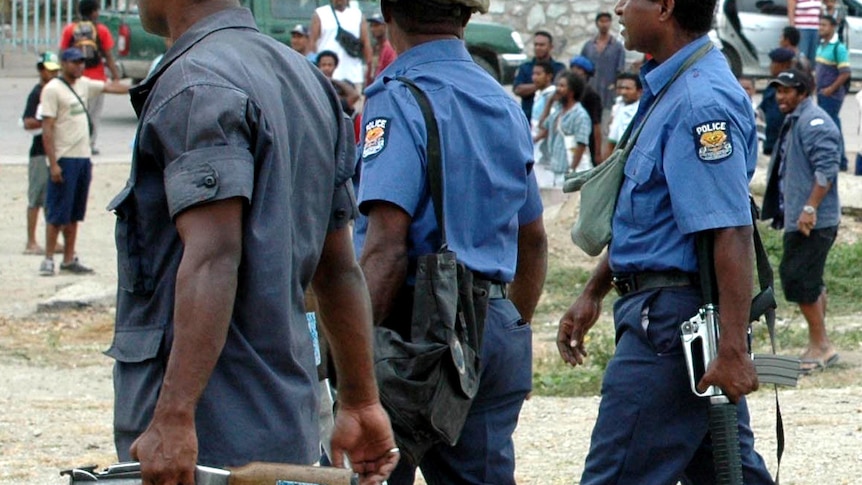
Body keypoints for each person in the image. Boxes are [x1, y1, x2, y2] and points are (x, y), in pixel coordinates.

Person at [107, 1, 398, 484]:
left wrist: (175, 414)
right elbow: (338, 269)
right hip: (280, 413)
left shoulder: (195, 83)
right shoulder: (304, 79)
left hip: (208, 434)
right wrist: (362, 400)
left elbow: (213, 257)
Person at [556, 1, 775, 483]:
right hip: (667, 316)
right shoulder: (671, 88)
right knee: (728, 473)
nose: (618, 8)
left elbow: (730, 228)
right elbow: (654, 219)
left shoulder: (701, 101)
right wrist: (594, 291)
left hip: (672, 328)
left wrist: (734, 349)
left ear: (664, 7)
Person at [353, 0, 548, 483]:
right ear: (467, 17)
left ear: (388, 11)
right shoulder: (502, 101)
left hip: (413, 330)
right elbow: (535, 241)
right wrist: (510, 334)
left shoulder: (399, 94)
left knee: (371, 471)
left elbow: (386, 250)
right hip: (493, 324)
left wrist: (348, 368)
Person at [761, 68, 841, 374]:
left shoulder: (814, 122)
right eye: (778, 91)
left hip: (813, 220)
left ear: (803, 92)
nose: (781, 97)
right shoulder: (796, 119)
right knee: (809, 279)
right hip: (800, 215)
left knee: (798, 279)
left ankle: (821, 346)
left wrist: (810, 208)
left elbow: (827, 170)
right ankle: (819, 342)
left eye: (787, 91)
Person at [38, 47, 128, 277]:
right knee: (58, 212)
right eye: (74, 62)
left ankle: (69, 258)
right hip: (64, 158)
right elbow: (46, 130)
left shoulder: (85, 85)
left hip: (82, 158)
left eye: (81, 62)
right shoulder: (53, 90)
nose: (79, 66)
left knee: (75, 212)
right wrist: (53, 163)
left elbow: (110, 87)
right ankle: (48, 258)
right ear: (63, 64)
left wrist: (144, 85)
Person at [59, 0, 121, 155]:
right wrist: (115, 77)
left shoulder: (70, 29)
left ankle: (75, 144)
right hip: (97, 78)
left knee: (76, 113)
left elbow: (62, 53)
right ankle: (90, 144)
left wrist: (62, 74)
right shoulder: (101, 30)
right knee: (94, 114)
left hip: (76, 78)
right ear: (94, 12)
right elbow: (108, 56)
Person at [21, 51, 60, 256]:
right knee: (35, 197)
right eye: (49, 71)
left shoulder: (54, 91)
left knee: (51, 198)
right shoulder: (37, 93)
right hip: (38, 152)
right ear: (41, 70)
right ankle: (31, 241)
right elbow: (28, 121)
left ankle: (51, 240)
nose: (52, 75)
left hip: (55, 150)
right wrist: (48, 123)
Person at [815, 13, 850, 171]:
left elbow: (845, 73)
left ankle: (841, 160)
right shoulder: (821, 45)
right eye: (820, 25)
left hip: (832, 96)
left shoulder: (838, 48)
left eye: (824, 25)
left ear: (833, 27)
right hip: (822, 94)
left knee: (832, 126)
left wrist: (831, 89)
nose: (821, 28)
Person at [580, 12, 626, 133]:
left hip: (608, 92)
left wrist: (615, 86)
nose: (604, 24)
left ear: (610, 23)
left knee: (606, 127)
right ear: (597, 23)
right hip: (589, 91)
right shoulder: (588, 46)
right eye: (601, 21)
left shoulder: (617, 47)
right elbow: (581, 69)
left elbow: (620, 69)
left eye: (607, 21)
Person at [310, 0, 373, 88]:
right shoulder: (320, 13)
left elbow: (366, 43)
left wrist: (369, 71)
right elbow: (312, 42)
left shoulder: (357, 15)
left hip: (352, 75)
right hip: (326, 76)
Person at [541, 71, 592, 177]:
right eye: (557, 85)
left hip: (567, 172)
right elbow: (542, 125)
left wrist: (571, 171)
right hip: (554, 168)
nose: (558, 89)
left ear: (572, 91)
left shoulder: (580, 115)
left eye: (562, 86)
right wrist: (549, 102)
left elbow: (581, 145)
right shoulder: (558, 111)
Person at [513, 31, 566, 123]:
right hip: (528, 118)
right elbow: (518, 89)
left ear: (550, 47)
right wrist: (540, 85)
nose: (538, 48)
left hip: (552, 119)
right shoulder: (525, 67)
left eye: (542, 45)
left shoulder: (559, 68)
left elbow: (562, 91)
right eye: (536, 45)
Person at [569, 56, 604, 165]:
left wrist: (597, 153)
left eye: (579, 69)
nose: (575, 72)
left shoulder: (591, 95)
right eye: (573, 68)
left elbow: (596, 125)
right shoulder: (569, 92)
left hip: (586, 142)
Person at [760, 48, 795, 156]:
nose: (771, 66)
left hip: (781, 141)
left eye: (774, 63)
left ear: (784, 66)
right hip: (770, 140)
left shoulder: (789, 88)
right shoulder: (772, 86)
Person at [604, 71, 641, 156]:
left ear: (639, 91)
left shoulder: (640, 111)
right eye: (621, 88)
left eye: (628, 89)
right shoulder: (618, 106)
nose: (623, 92)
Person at [317, 50, 361, 117]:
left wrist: (332, 80)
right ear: (318, 66)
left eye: (330, 65)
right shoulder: (314, 84)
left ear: (335, 66)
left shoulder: (339, 86)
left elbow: (355, 96)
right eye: (323, 65)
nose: (326, 68)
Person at [530, 60, 557, 166]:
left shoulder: (552, 95)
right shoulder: (540, 94)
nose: (534, 77)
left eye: (538, 74)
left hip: (544, 146)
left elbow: (550, 124)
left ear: (549, 76)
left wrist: (534, 140)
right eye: (533, 74)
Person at [787, 0, 822, 65]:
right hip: (802, 30)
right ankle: (801, 74)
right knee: (802, 57)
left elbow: (821, 13)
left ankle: (811, 74)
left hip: (816, 30)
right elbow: (791, 12)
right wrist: (793, 32)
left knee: (814, 57)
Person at [368, 14, 397, 83]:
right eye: (371, 26)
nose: (373, 29)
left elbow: (390, 73)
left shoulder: (389, 47)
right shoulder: (375, 48)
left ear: (385, 26)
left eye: (376, 25)